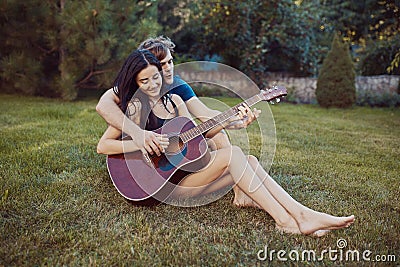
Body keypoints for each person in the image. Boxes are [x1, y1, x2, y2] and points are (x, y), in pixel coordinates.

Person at [97, 49, 355, 236]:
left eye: (156, 77)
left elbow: (195, 135)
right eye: (144, 81)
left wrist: (233, 122)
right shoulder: (133, 109)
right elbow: (103, 147)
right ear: (134, 81)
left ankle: (300, 215)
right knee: (233, 154)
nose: (153, 85)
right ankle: (286, 220)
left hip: (181, 179)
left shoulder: (174, 102)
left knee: (250, 161)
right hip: (154, 188)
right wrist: (141, 141)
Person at [96, 36, 257, 207]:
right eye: (162, 64)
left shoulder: (177, 86)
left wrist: (233, 122)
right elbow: (103, 105)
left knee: (217, 137)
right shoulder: (134, 90)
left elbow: (206, 115)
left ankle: (239, 188)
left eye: (170, 62)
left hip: (171, 147)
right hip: (139, 156)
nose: (168, 69)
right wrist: (137, 135)